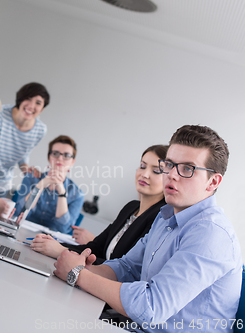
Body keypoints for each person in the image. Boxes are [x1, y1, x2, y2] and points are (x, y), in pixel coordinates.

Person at [54, 125, 242, 332]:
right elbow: (127, 268)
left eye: (188, 168)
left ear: (213, 181)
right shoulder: (166, 216)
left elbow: (151, 307)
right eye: (169, 164)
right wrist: (87, 268)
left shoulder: (211, 234)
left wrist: (78, 274)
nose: (171, 175)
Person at [31, 145, 167, 264]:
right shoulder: (131, 208)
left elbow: (119, 268)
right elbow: (96, 248)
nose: (144, 174)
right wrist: (54, 245)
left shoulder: (159, 219)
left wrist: (61, 251)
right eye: (142, 166)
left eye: (156, 171)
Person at [0, 82, 49, 214]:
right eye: (28, 99)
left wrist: (26, 169)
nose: (31, 106)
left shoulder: (40, 130)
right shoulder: (0, 113)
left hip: (3, 182)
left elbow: (24, 153)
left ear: (42, 108)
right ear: (20, 99)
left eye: (38, 103)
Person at [13, 135, 84, 234]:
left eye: (66, 155)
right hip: (21, 232)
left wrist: (61, 192)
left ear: (72, 162)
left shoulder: (78, 194)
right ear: (49, 157)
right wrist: (40, 186)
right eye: (55, 153)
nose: (59, 158)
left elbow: (64, 229)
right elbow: (18, 213)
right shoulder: (31, 177)